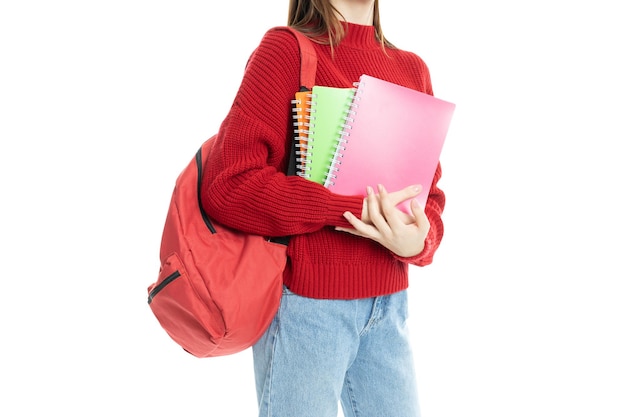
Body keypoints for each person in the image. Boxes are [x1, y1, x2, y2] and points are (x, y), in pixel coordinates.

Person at [201, 1, 446, 416]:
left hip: (390, 308)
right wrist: (346, 209)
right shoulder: (286, 52)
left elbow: (430, 199)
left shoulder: (412, 69)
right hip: (307, 308)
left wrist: (418, 242)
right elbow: (227, 186)